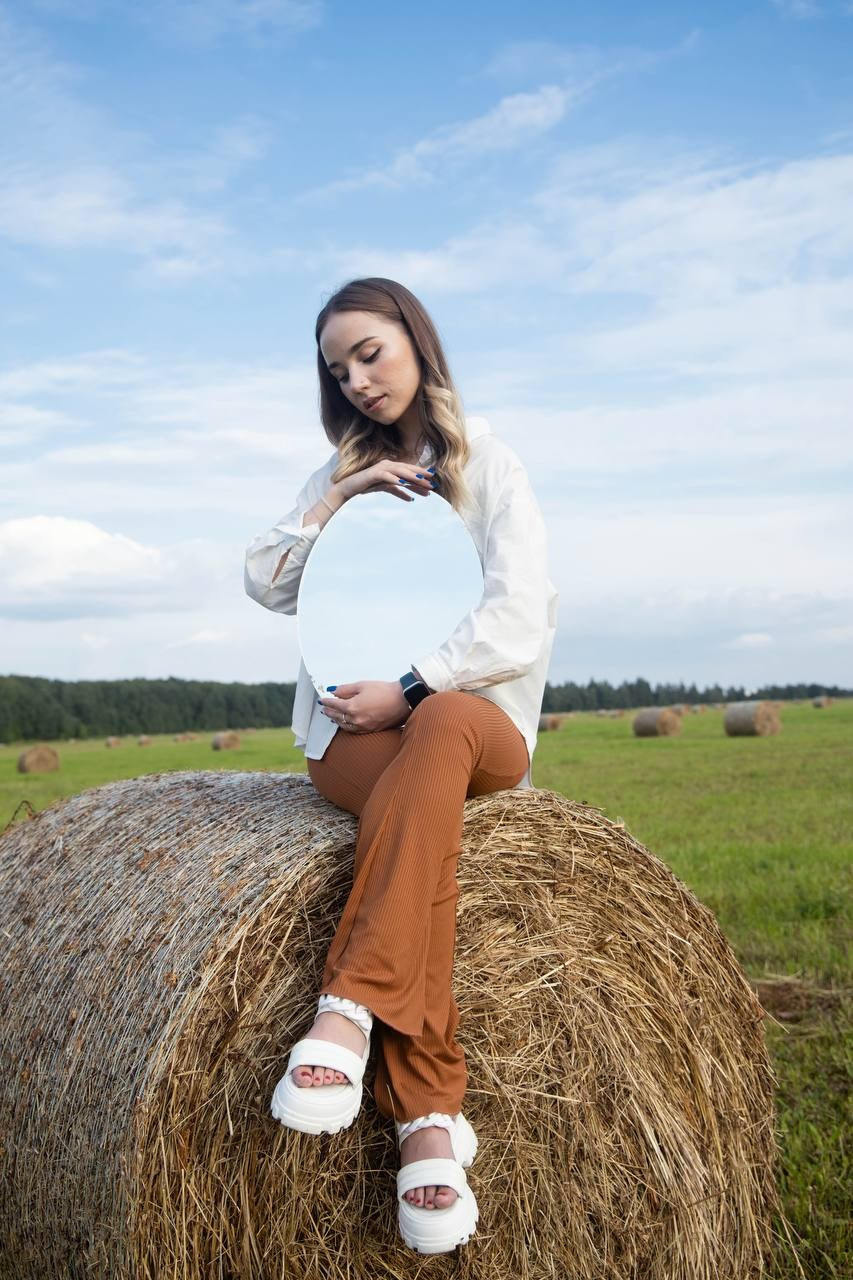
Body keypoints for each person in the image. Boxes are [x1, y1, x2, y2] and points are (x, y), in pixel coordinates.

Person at [244, 277, 558, 1254]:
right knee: (421, 839)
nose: (358, 378)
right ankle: (430, 1116)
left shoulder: (490, 464)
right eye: (338, 368)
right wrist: (336, 496)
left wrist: (414, 684)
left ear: (414, 340)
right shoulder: (339, 472)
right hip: (352, 736)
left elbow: (518, 610)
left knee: (449, 721)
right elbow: (264, 581)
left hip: (476, 723)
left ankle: (348, 1006)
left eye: (369, 351)